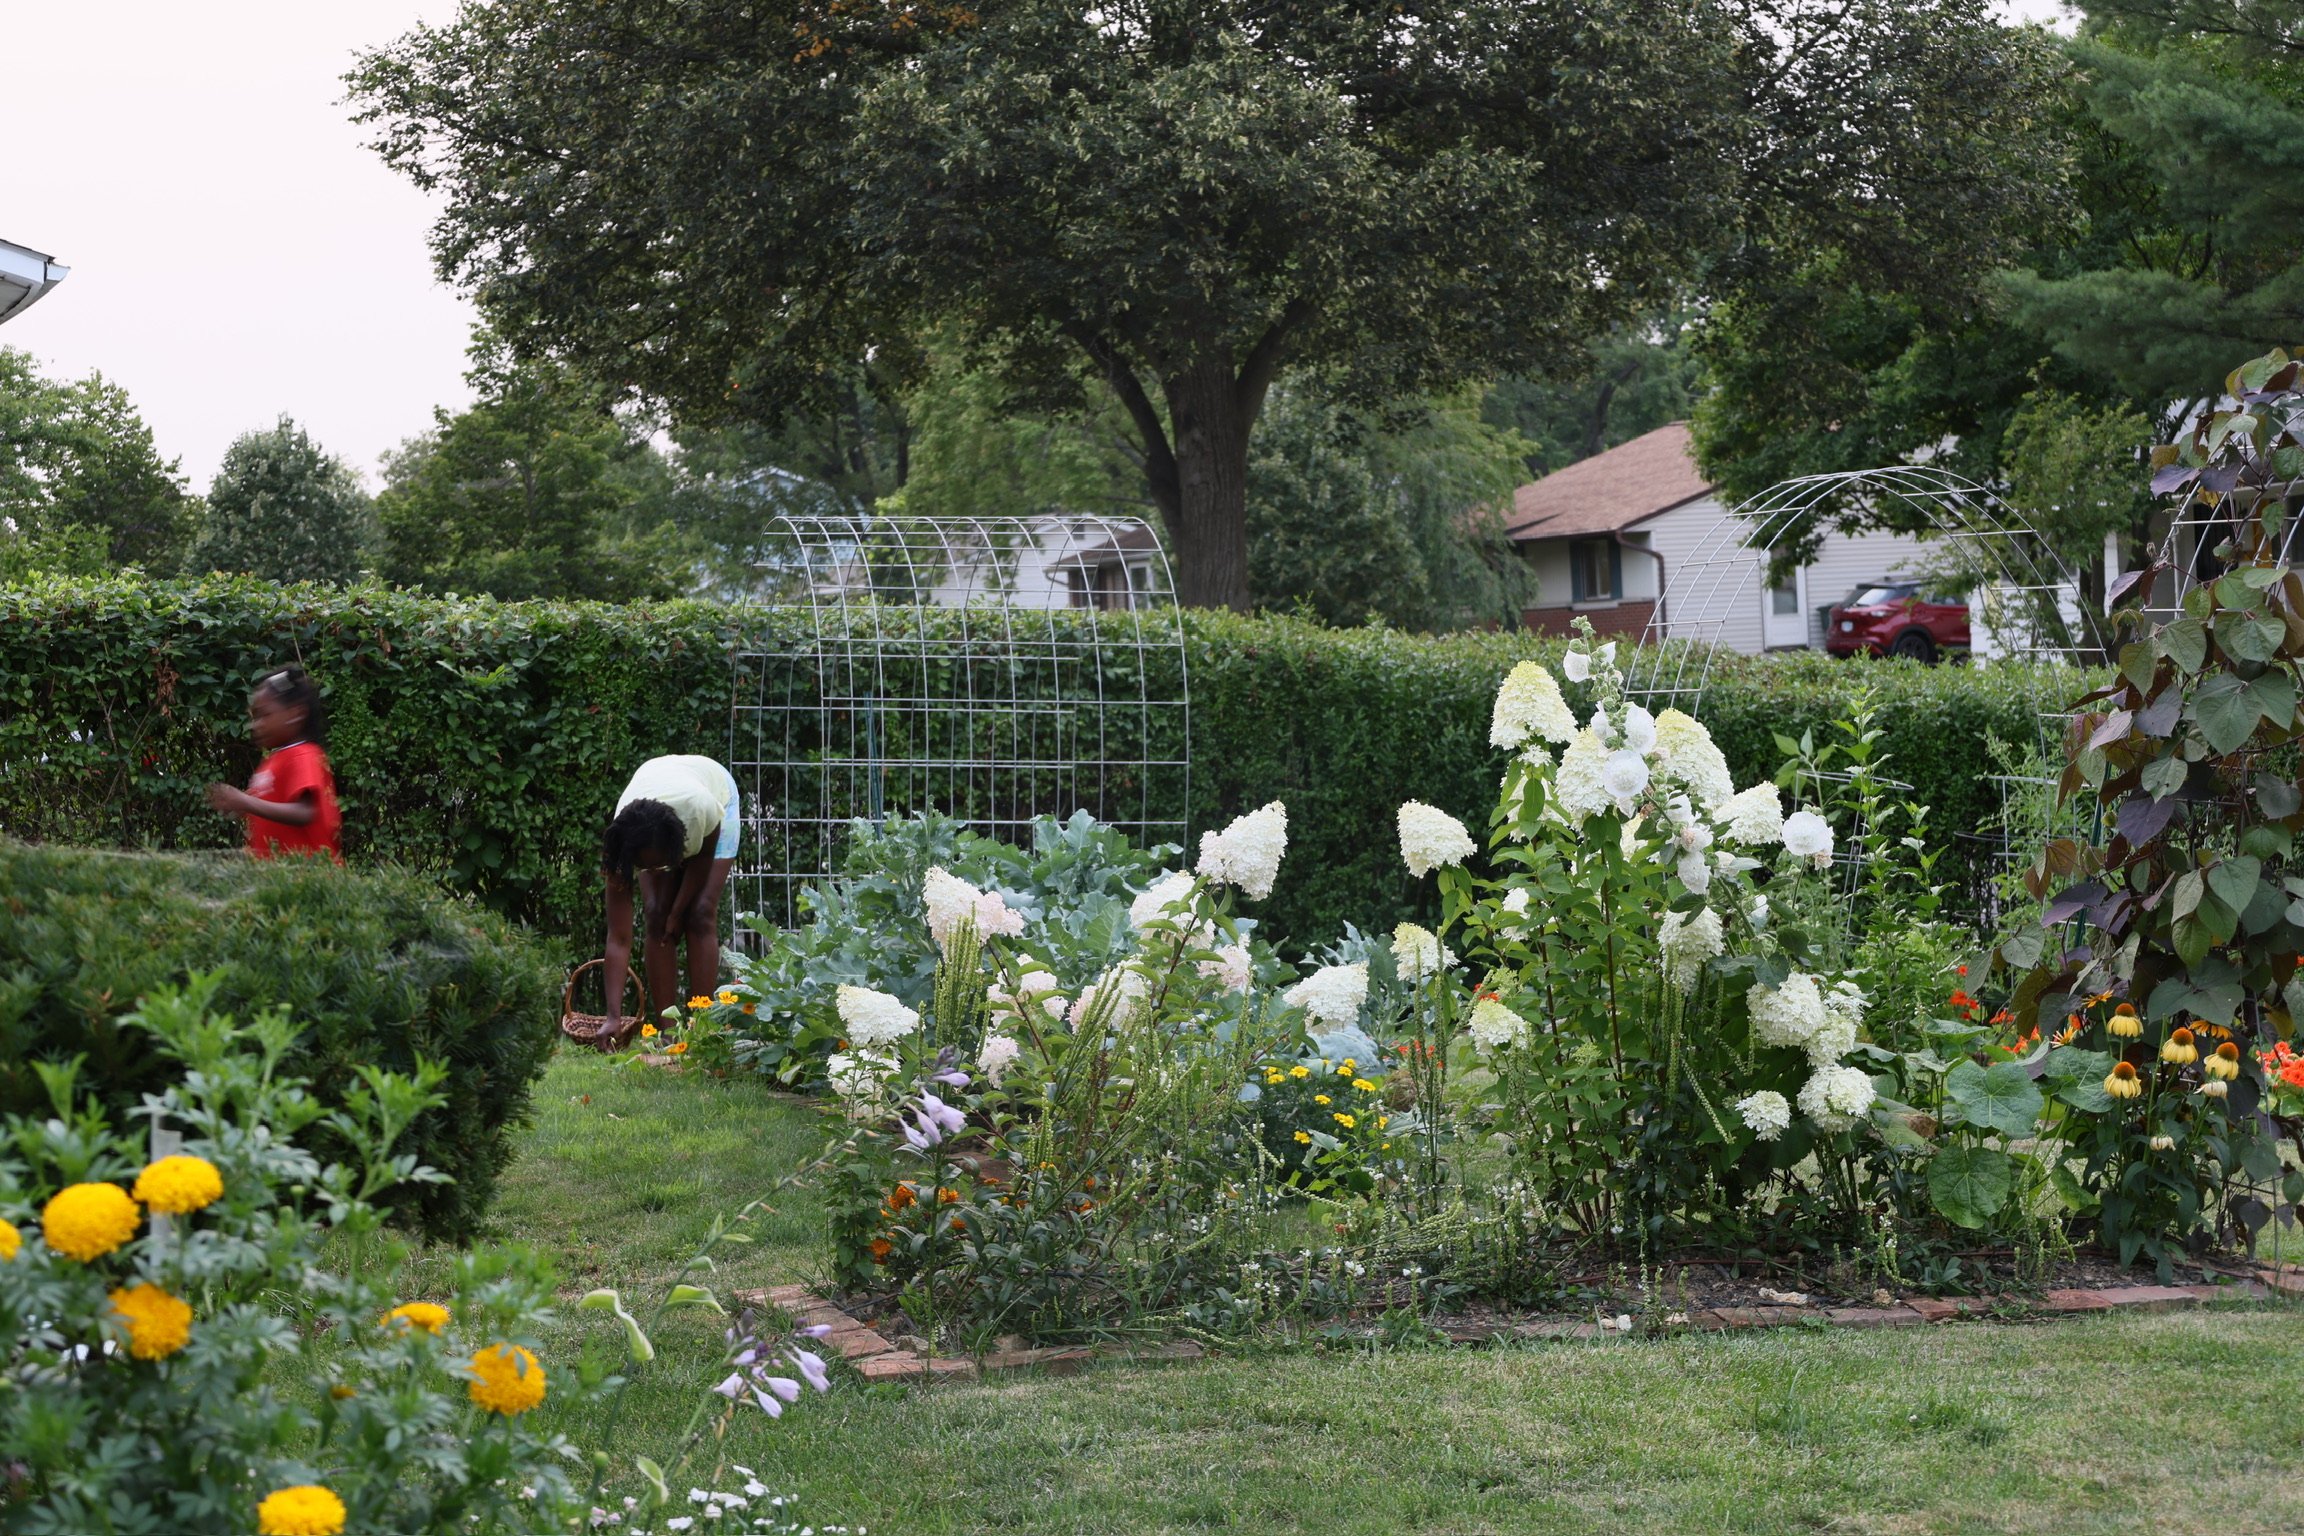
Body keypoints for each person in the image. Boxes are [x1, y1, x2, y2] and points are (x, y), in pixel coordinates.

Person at [594, 754, 739, 1047]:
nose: (654, 871)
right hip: (659, 787)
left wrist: (679, 911)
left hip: (717, 794)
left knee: (699, 914)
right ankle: (669, 1035)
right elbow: (618, 937)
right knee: (656, 916)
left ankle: (700, 1030)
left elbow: (702, 860)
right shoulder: (621, 844)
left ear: (674, 850)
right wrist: (613, 1016)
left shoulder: (701, 810)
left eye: (660, 865)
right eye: (645, 867)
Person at [203, 666, 343, 862]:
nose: (255, 725)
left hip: (307, 874)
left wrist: (246, 802)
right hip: (277, 874)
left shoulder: (304, 756)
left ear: (296, 714)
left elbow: (306, 811)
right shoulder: (273, 760)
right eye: (254, 717)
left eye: (264, 715)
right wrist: (240, 805)